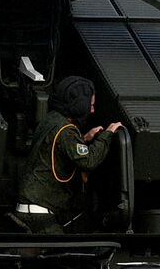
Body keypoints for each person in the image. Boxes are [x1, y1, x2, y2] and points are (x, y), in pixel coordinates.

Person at [16, 76, 123, 233]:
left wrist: (84, 139)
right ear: (79, 104)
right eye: (90, 105)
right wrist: (107, 134)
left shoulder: (51, 119)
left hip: (28, 207)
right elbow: (88, 161)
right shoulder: (67, 131)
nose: (92, 110)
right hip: (40, 213)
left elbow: (58, 146)